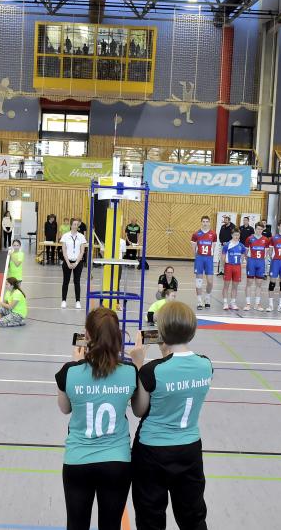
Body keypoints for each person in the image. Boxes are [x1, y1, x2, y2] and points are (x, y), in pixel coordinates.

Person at [128, 301, 212, 530]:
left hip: (152, 452)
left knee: (150, 518)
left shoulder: (152, 371)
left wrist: (137, 365)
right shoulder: (206, 365)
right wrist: (166, 353)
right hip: (189, 450)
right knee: (193, 517)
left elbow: (138, 410)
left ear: (162, 332)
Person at [55, 308, 140, 530]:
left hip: (78, 460)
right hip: (117, 461)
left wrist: (76, 364)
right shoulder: (130, 371)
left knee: (76, 524)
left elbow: (65, 408)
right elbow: (139, 408)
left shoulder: (69, 372)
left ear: (87, 335)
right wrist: (139, 364)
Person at [190, 215, 217, 311]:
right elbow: (193, 247)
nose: (205, 223)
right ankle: (199, 301)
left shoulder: (213, 234)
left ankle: (207, 297)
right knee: (199, 282)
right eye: (203, 221)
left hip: (209, 259)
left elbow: (213, 247)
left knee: (210, 281)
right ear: (201, 222)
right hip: (200, 259)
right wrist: (197, 257)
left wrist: (210, 256)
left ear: (209, 223)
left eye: (207, 222)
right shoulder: (196, 234)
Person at [60, 217, 87, 309]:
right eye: (74, 224)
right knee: (66, 281)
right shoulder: (65, 236)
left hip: (78, 262)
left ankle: (78, 301)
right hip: (67, 261)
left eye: (77, 224)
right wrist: (68, 263)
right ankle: (64, 300)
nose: (76, 226)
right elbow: (64, 251)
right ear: (71, 225)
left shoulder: (81, 236)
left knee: (77, 281)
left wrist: (76, 263)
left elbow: (82, 251)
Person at [245, 221, 269, 312]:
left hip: (260, 262)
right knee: (249, 283)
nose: (259, 231)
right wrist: (249, 261)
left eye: (261, 229)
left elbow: (266, 252)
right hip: (251, 262)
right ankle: (248, 304)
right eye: (258, 229)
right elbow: (246, 252)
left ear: (263, 230)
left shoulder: (265, 239)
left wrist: (263, 261)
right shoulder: (249, 238)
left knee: (259, 284)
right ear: (255, 229)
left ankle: (257, 304)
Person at [222, 229, 246, 311]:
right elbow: (223, 257)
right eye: (235, 235)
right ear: (232, 235)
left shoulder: (241, 246)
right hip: (228, 266)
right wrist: (224, 267)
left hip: (237, 267)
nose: (236, 236)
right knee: (226, 286)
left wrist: (240, 264)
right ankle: (225, 303)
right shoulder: (227, 245)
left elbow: (242, 256)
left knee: (235, 286)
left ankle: (233, 303)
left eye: (238, 235)